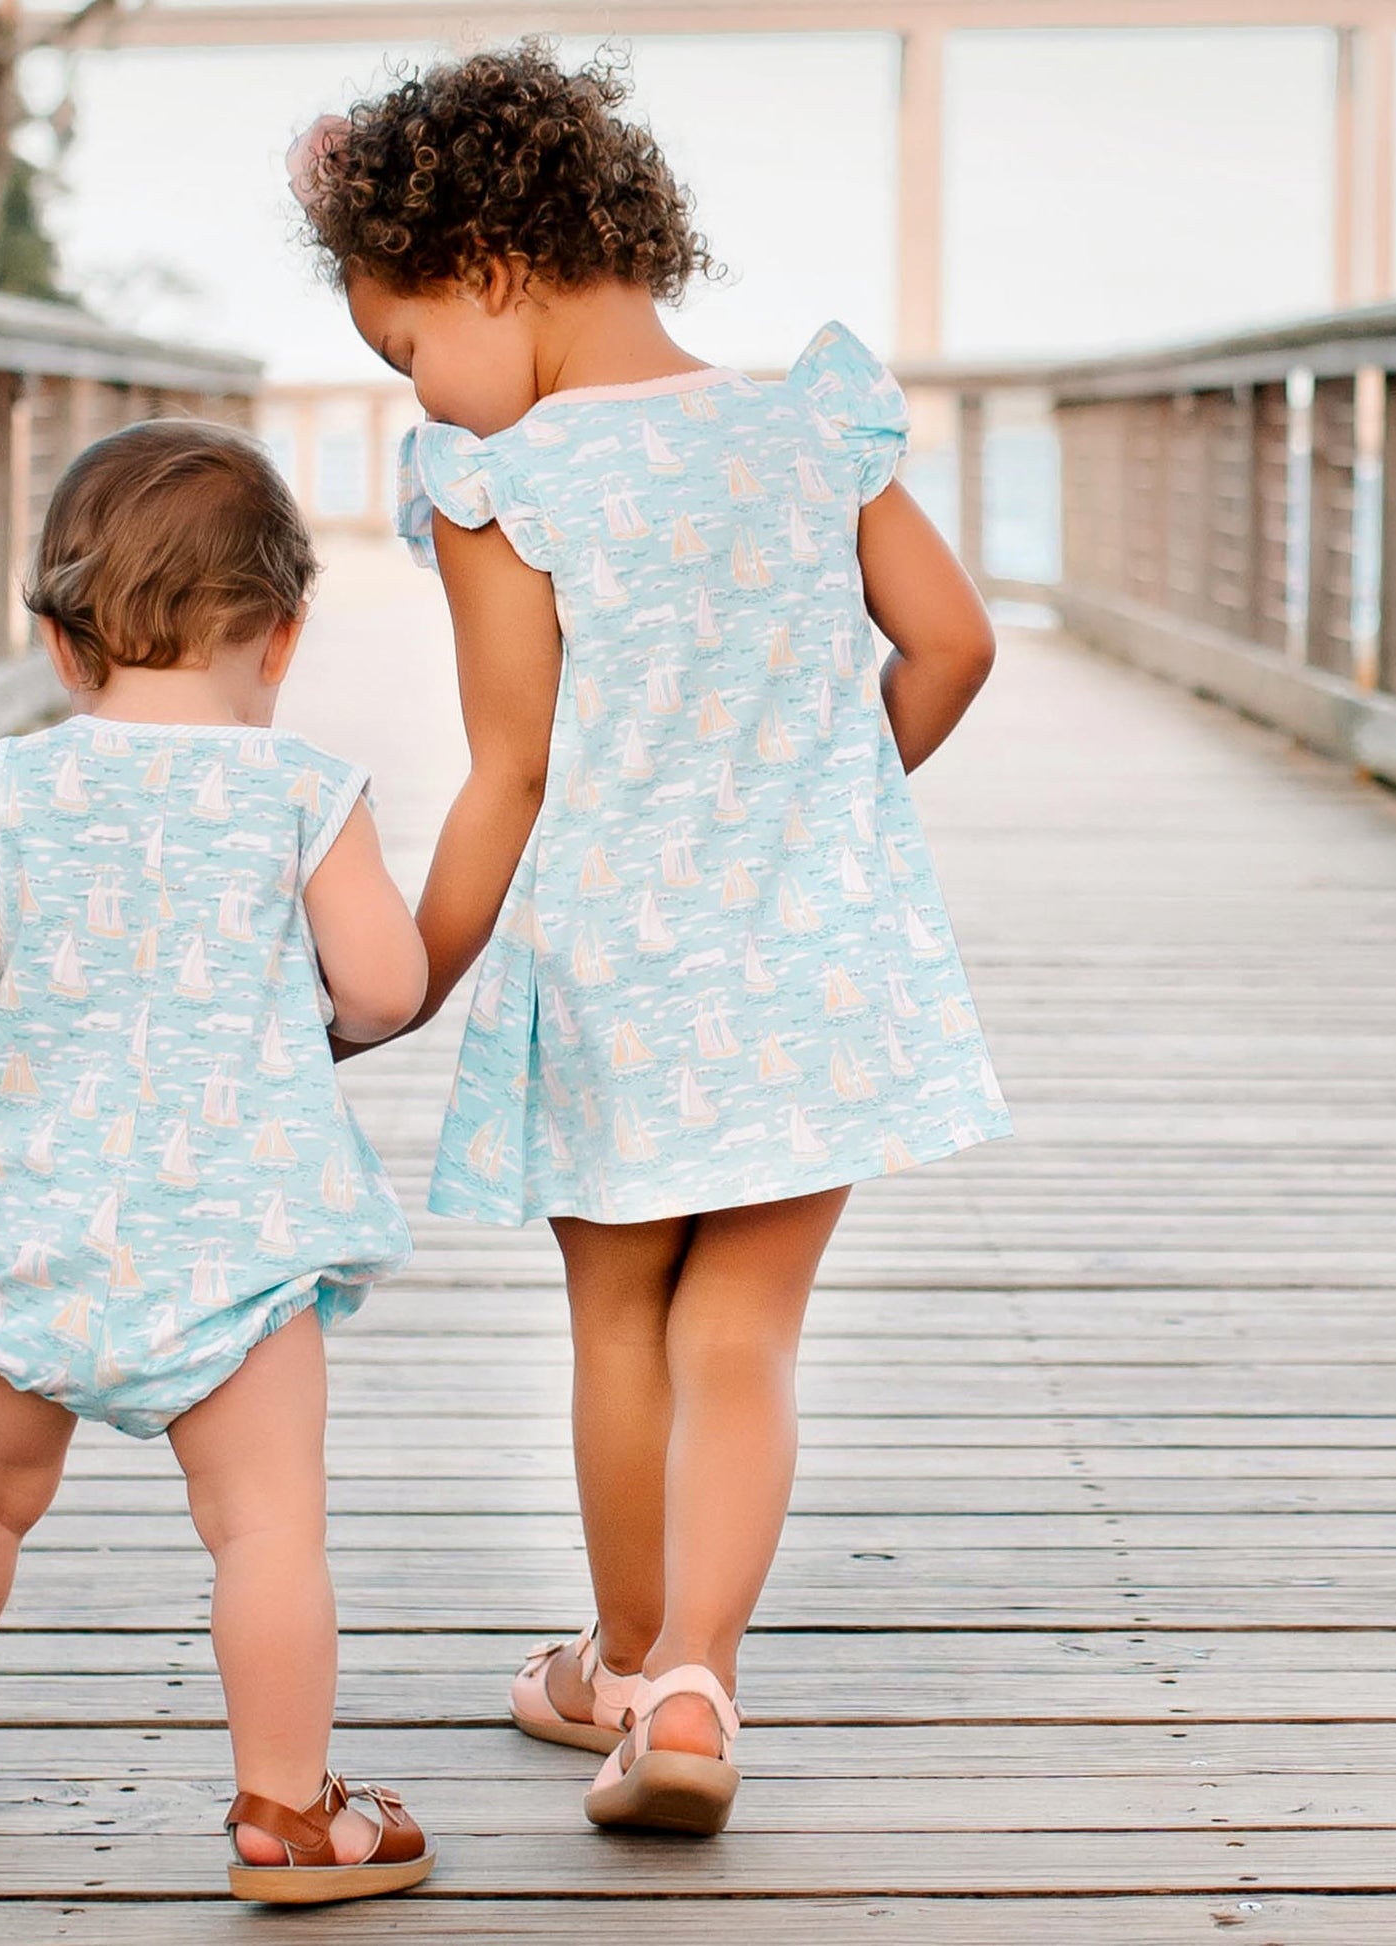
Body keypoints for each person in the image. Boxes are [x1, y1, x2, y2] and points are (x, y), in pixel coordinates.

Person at [292, 44, 1013, 1836]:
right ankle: (700, 1675)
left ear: (487, 266)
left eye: (405, 348)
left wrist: (398, 991)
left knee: (620, 1316)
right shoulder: (806, 422)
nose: (422, 394)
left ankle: (619, 1661)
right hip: (810, 965)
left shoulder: (499, 484)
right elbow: (952, 649)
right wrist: (824, 810)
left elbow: (509, 773)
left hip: (616, 975)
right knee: (745, 1331)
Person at [0, 419, 435, 1904]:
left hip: (31, 1230)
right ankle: (285, 1810)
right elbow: (384, 986)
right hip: (235, 1242)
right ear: (284, 634)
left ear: (67, 646)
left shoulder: (18, 789)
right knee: (265, 1526)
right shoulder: (306, 792)